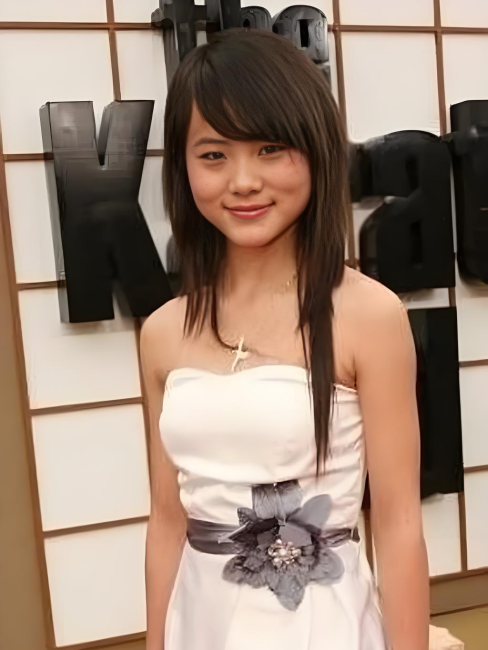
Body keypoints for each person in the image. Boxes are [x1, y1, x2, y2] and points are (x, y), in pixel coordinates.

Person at [141, 28, 429, 650]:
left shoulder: (368, 314)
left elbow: (400, 522)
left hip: (322, 628)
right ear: (183, 167)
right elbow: (166, 521)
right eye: (213, 155)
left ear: (316, 150)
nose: (243, 180)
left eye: (270, 149)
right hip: (200, 624)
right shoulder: (162, 332)